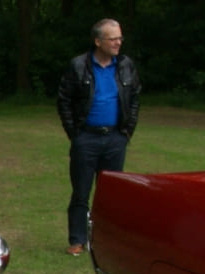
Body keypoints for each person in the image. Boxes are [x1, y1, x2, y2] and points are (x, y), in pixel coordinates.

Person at [57, 18, 140, 255]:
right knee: (81, 191)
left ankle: (107, 239)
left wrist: (126, 131)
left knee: (111, 193)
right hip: (86, 138)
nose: (118, 43)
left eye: (120, 38)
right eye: (112, 38)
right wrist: (75, 134)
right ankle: (77, 240)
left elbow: (134, 98)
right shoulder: (78, 66)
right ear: (98, 41)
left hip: (115, 138)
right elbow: (64, 101)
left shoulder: (125, 65)